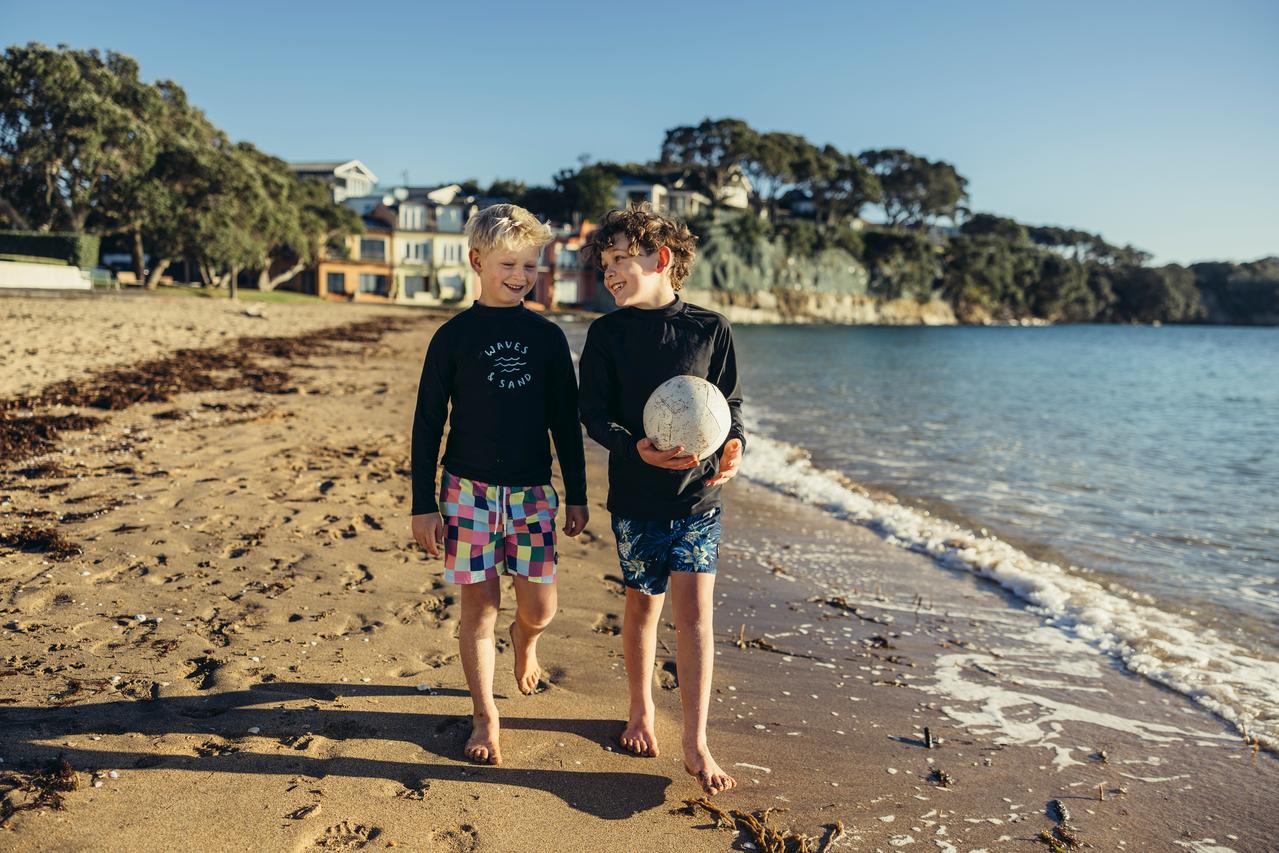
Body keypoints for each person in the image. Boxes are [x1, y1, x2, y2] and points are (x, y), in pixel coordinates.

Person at [410, 203, 588, 766]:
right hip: (468, 492)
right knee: (479, 610)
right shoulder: (452, 337)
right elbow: (427, 423)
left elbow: (566, 421)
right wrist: (422, 504)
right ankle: (485, 714)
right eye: (508, 263)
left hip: (533, 493)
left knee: (541, 607)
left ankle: (526, 639)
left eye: (530, 266)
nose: (519, 275)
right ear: (477, 261)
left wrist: (578, 493)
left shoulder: (548, 338)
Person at [578, 204, 745, 796]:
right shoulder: (608, 334)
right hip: (637, 499)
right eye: (605, 266)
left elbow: (730, 406)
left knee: (696, 616)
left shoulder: (711, 329)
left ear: (663, 259)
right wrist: (635, 448)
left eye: (622, 259)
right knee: (644, 607)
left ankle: (697, 742)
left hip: (699, 499)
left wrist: (735, 447)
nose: (612, 274)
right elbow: (593, 415)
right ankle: (641, 709)